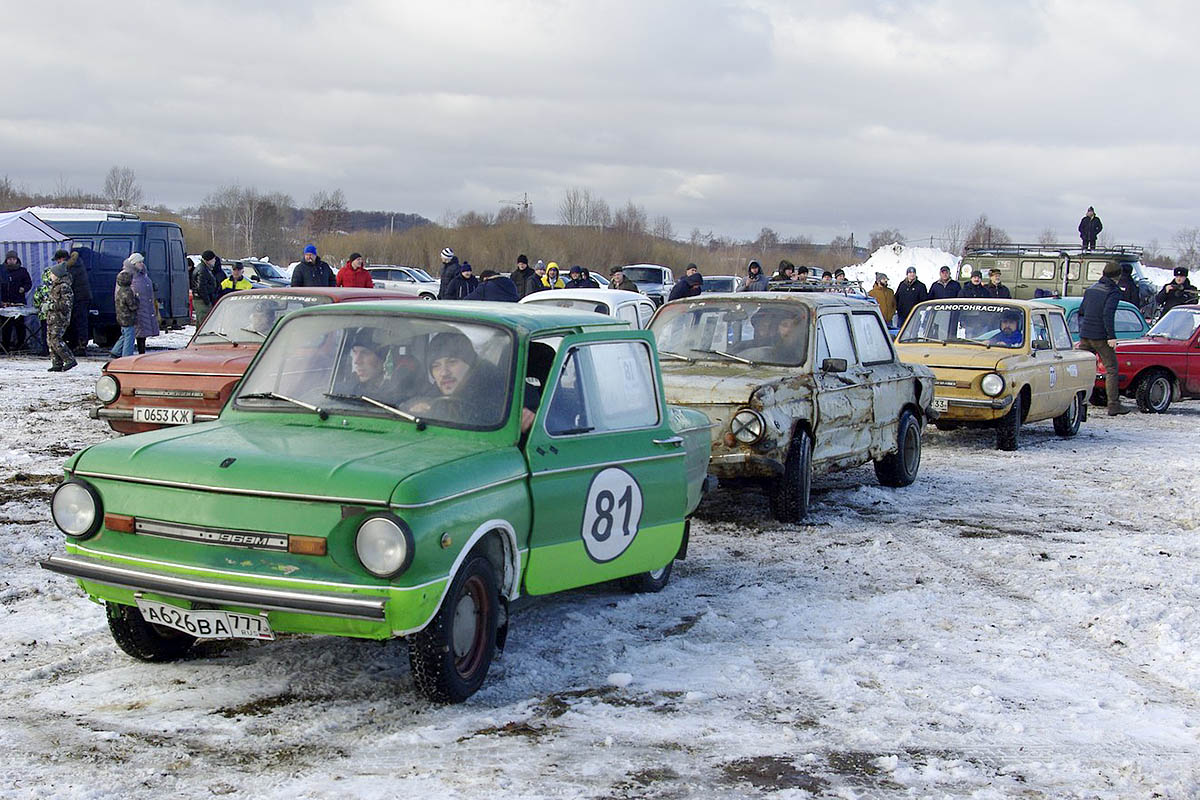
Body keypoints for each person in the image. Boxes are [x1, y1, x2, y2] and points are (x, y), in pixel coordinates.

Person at [1078, 262, 1130, 415]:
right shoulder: (1113, 292)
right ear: (1118, 276)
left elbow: (1082, 311)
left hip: (1085, 336)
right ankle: (1113, 405)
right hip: (1100, 337)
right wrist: (1111, 336)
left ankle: (1078, 403)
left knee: (1084, 369)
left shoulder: (1091, 289)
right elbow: (1108, 314)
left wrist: (1083, 330)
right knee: (1112, 369)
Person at [43, 259, 76, 372]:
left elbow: (65, 305)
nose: (51, 276)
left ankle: (69, 359)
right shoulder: (55, 286)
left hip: (60, 318)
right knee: (50, 339)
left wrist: (50, 306)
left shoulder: (64, 287)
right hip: (52, 318)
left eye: (52, 274)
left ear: (57, 275)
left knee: (56, 339)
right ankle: (56, 362)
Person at [125, 253, 159, 354]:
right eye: (139, 262)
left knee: (142, 332)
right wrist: (131, 304)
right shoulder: (128, 275)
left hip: (144, 306)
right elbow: (123, 292)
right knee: (135, 333)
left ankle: (141, 351)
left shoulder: (142, 274)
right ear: (134, 263)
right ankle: (122, 352)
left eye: (142, 262)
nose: (141, 264)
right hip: (136, 308)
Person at [1, 250, 33, 353]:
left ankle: (20, 344)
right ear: (6, 260)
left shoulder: (22, 271)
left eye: (13, 259)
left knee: (20, 325)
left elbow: (29, 283)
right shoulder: (2, 270)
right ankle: (5, 346)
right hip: (5, 303)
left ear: (17, 259)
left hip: (19, 302)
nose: (11, 261)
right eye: (9, 259)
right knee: (6, 326)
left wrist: (24, 288)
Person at [64, 250, 92, 353]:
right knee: (80, 322)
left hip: (79, 298)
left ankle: (80, 346)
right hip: (82, 297)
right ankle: (78, 344)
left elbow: (68, 282)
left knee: (79, 322)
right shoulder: (78, 264)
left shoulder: (73, 267)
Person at [110, 269, 138, 358]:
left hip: (121, 317)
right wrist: (137, 299)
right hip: (128, 318)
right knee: (129, 337)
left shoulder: (120, 291)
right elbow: (132, 306)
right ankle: (127, 355)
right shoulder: (128, 291)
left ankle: (116, 351)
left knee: (124, 335)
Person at [191, 251, 220, 328]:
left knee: (200, 324)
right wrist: (207, 301)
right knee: (205, 325)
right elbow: (201, 287)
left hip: (201, 300)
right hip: (202, 301)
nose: (215, 261)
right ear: (208, 260)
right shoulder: (202, 270)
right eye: (213, 259)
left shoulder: (204, 268)